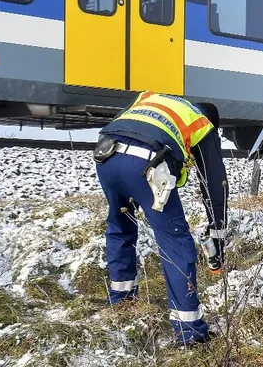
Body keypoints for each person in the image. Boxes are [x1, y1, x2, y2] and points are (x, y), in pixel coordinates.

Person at [94, 92, 228, 345]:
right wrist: (218, 231)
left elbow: (122, 126)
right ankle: (190, 332)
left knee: (120, 225)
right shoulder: (202, 123)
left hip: (106, 154)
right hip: (146, 163)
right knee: (175, 242)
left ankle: (121, 302)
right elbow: (214, 184)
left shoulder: (150, 97)